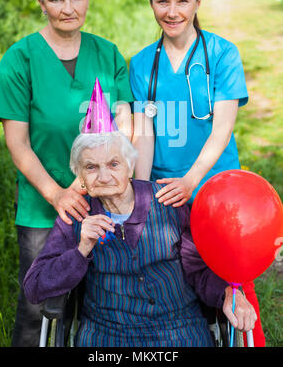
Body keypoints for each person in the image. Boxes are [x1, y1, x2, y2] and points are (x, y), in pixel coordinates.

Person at [0, 0, 134, 347]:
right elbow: (17, 143)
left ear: (89, 0)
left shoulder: (109, 54)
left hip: (103, 198)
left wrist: (91, 184)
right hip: (43, 203)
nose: (67, 8)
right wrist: (59, 194)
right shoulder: (20, 60)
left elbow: (125, 126)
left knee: (98, 299)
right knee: (40, 303)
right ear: (41, 3)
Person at [129, 0, 265, 346]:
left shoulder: (222, 54)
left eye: (182, 1)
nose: (172, 11)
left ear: (197, 3)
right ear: (152, 5)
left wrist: (192, 181)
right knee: (176, 275)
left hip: (214, 186)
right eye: (162, 1)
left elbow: (222, 128)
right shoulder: (142, 64)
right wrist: (141, 191)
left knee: (235, 282)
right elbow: (144, 133)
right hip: (163, 189)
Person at [23, 130, 257, 347]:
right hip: (107, 336)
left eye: (113, 164)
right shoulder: (77, 215)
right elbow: (34, 287)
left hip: (179, 331)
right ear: (80, 176)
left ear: (130, 166)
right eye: (91, 167)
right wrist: (81, 250)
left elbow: (199, 269)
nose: (104, 177)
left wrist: (228, 293)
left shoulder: (168, 203)